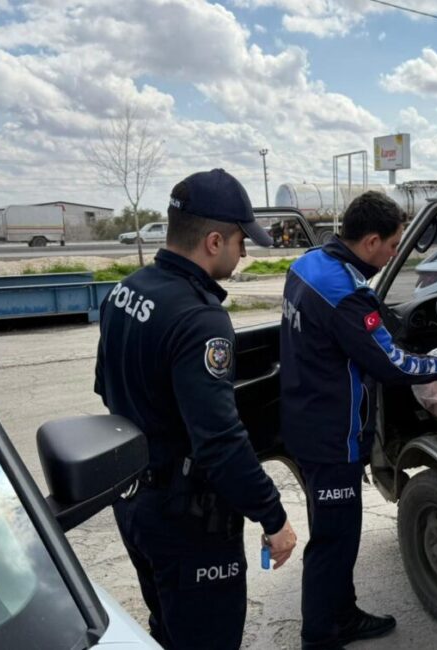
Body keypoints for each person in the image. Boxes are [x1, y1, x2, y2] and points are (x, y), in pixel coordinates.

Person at [94, 168, 297, 649]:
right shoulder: (200, 319)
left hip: (133, 501)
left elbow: (106, 387)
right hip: (186, 520)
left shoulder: (126, 290)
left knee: (168, 627)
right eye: (241, 242)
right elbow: (219, 442)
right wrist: (273, 517)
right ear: (213, 241)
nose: (244, 254)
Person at [279, 191, 437, 650]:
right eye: (394, 245)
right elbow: (390, 364)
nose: (396, 254)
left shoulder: (308, 264)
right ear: (371, 241)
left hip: (303, 417)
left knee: (334, 532)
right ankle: (321, 635)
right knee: (333, 541)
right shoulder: (347, 293)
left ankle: (343, 613)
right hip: (332, 435)